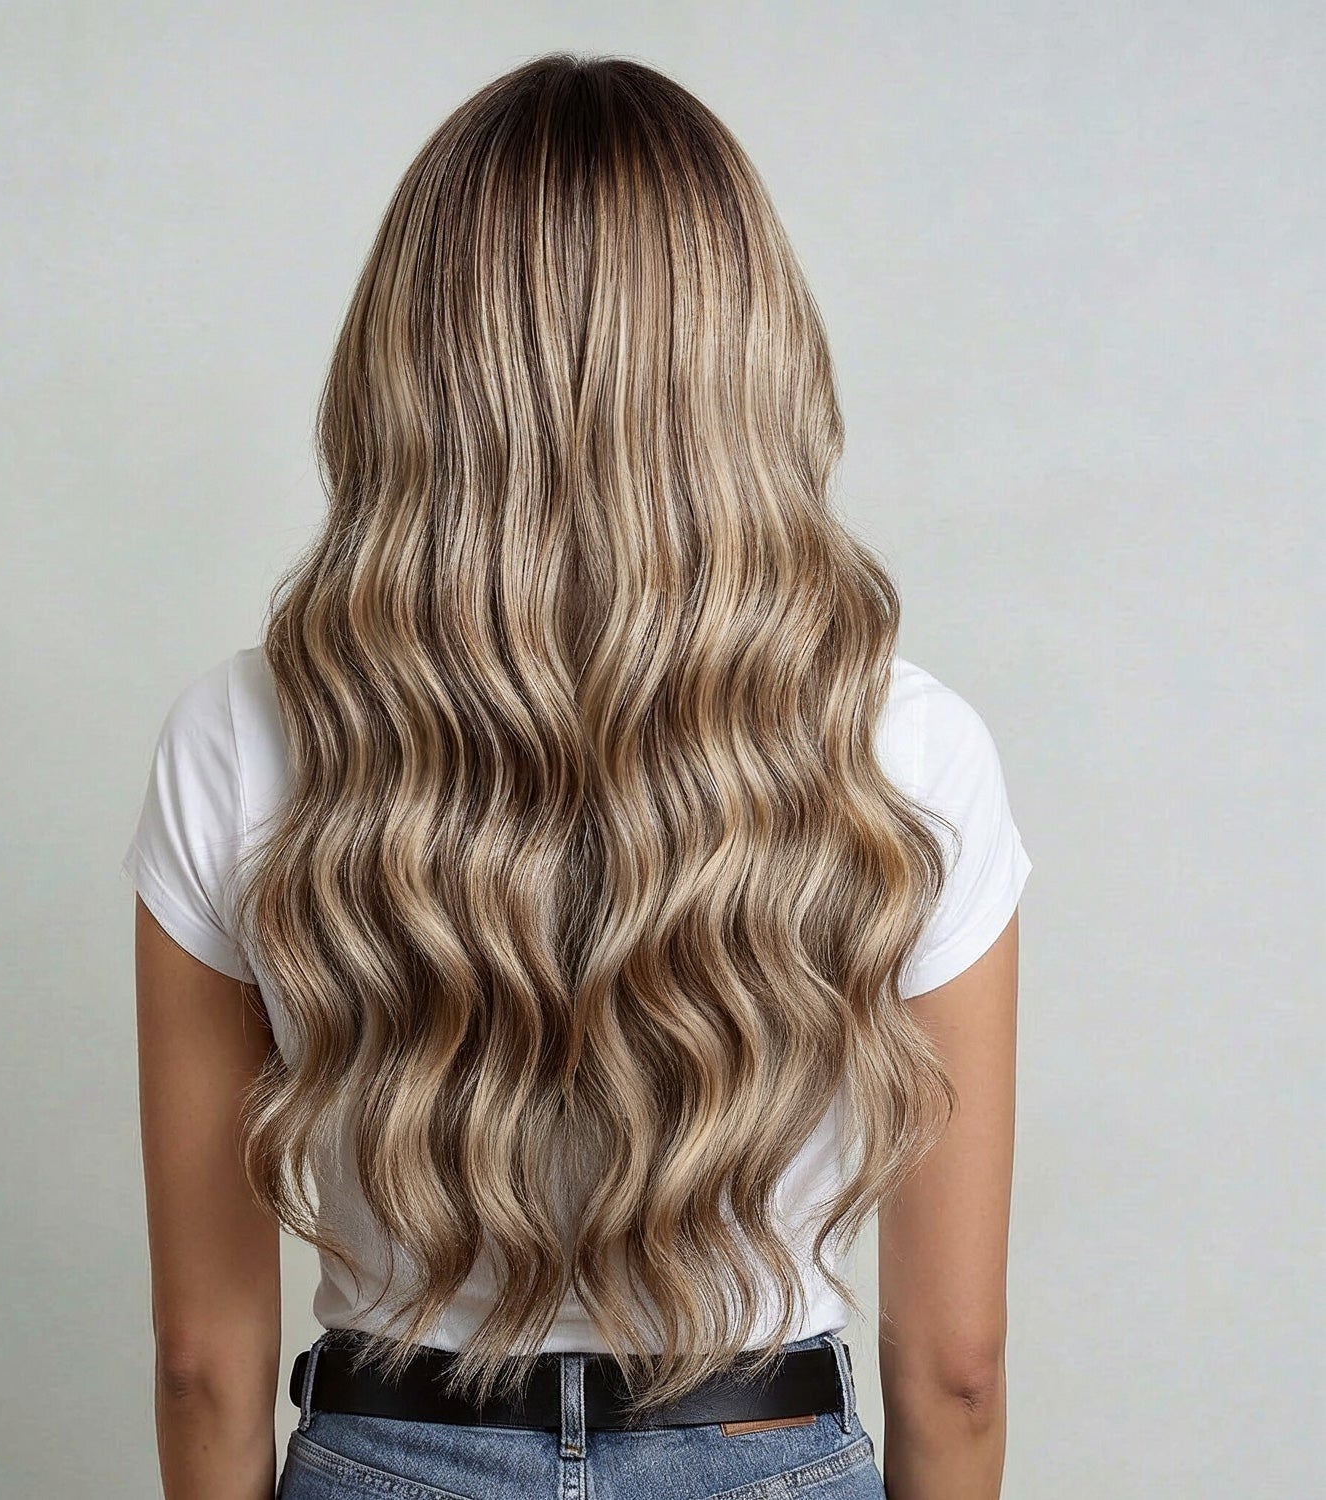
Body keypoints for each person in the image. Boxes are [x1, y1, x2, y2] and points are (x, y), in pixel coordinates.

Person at [120, 51, 1032, 1500]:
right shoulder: (906, 747)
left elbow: (200, 1361)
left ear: (408, 360)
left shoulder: (242, 733)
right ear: (750, 356)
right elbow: (958, 1368)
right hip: (762, 1454)